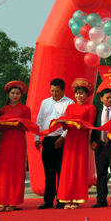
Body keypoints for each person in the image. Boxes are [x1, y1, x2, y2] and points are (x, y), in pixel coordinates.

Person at [57, 78, 97, 209]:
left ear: (86, 95)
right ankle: (67, 197)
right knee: (68, 168)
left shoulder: (90, 107)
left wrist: (79, 124)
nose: (79, 96)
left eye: (81, 93)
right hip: (70, 139)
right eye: (77, 93)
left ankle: (77, 199)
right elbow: (66, 126)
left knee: (79, 167)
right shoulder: (70, 107)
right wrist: (64, 124)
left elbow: (90, 125)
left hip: (81, 139)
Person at [35, 78, 74, 210]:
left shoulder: (69, 103)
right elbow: (39, 120)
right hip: (47, 139)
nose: (54, 94)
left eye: (57, 91)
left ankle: (61, 199)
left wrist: (62, 138)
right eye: (52, 91)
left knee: (61, 171)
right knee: (49, 172)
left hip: (61, 139)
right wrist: (37, 137)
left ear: (63, 90)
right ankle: (48, 200)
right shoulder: (45, 102)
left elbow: (70, 123)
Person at [0, 81, 32, 212]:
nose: (15, 95)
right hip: (6, 141)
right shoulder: (3, 110)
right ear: (8, 95)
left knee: (17, 170)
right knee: (3, 170)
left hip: (19, 140)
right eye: (13, 93)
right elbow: (0, 128)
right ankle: (2, 200)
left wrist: (18, 123)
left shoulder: (25, 109)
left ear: (21, 95)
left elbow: (29, 126)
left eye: (17, 93)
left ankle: (13, 201)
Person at [91, 88, 111, 208]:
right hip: (100, 146)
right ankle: (101, 200)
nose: (110, 100)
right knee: (101, 174)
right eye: (107, 97)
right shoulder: (97, 110)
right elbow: (94, 127)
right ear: (101, 99)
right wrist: (93, 141)